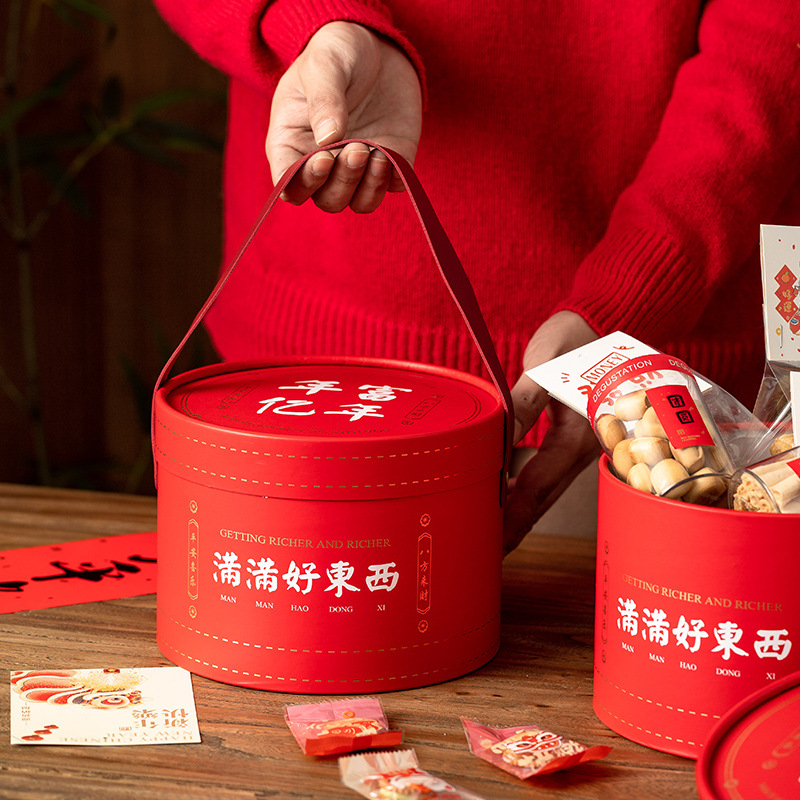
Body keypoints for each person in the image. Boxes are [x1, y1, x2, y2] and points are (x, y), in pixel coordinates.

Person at [151, 1, 800, 553]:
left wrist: (634, 291)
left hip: (623, 383)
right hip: (297, 359)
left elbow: (769, 38)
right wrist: (310, 20)